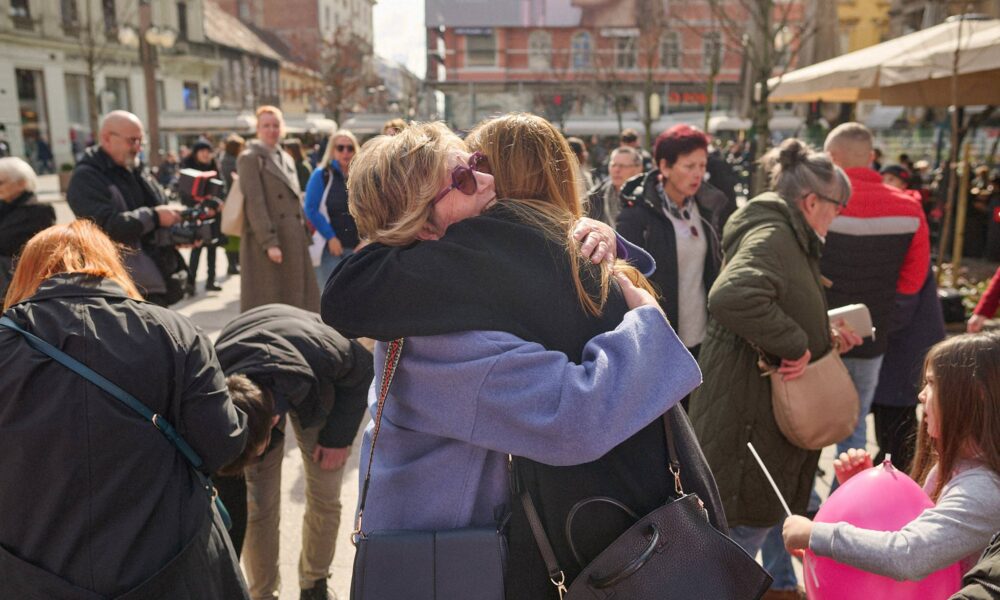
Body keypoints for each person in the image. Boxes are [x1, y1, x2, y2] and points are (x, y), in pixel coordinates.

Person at [323, 116, 724, 599]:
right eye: (467, 178)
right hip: (443, 564)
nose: (490, 181)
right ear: (421, 223)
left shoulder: (433, 292)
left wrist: (590, 234)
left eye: (477, 163)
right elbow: (575, 415)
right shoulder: (440, 342)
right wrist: (646, 322)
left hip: (445, 545)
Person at [0, 220, 249, 599]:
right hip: (167, 565)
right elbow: (222, 446)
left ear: (27, 274)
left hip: (28, 572)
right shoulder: (174, 333)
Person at [688, 139, 861, 576]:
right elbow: (732, 295)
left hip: (757, 414)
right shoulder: (775, 233)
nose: (838, 216)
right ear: (811, 200)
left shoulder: (787, 233)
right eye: (837, 206)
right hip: (749, 419)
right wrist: (797, 343)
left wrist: (824, 336)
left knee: (743, 543)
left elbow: (775, 299)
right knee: (736, 553)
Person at [783, 332, 1000, 581]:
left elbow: (908, 554)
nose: (921, 395)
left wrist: (816, 534)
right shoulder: (956, 468)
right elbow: (914, 530)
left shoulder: (982, 489)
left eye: (932, 383)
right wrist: (868, 493)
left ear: (975, 395)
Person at [214, 304, 374, 600]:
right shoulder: (214, 379)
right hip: (251, 363)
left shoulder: (328, 354)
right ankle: (262, 593)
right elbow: (233, 505)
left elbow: (364, 369)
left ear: (273, 420)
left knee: (325, 494)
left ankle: (314, 584)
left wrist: (338, 438)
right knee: (257, 503)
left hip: (316, 377)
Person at [822, 122, 931, 467]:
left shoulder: (818, 204)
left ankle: (806, 503)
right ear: (871, 158)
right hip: (873, 333)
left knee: (810, 419)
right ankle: (848, 500)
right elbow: (914, 281)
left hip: (816, 332)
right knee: (855, 425)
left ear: (830, 158)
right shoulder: (909, 209)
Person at [616, 124, 733, 365]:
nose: (698, 174)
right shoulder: (637, 215)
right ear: (665, 167)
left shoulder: (706, 208)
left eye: (702, 166)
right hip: (660, 340)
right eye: (689, 166)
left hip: (703, 336)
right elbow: (624, 279)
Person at [66, 110, 186, 306]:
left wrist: (176, 232)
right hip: (123, 286)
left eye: (141, 141)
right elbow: (105, 226)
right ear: (106, 139)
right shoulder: (86, 178)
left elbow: (156, 210)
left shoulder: (136, 168)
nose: (138, 148)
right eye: (132, 141)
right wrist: (154, 217)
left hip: (157, 278)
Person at [236, 105, 319, 312]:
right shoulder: (249, 158)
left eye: (275, 125)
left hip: (293, 237)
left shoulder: (287, 157)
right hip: (270, 241)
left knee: (299, 301)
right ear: (258, 128)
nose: (271, 130)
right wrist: (269, 242)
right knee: (271, 301)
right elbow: (255, 203)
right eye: (266, 125)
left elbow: (295, 199)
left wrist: (305, 235)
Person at [304, 129, 360, 286]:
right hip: (331, 249)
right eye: (340, 147)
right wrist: (331, 237)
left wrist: (368, 239)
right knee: (331, 296)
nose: (346, 152)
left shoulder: (363, 175)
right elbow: (311, 209)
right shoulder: (321, 174)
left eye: (350, 148)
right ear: (332, 150)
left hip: (360, 248)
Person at [0, 156, 55, 297]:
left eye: (1, 182)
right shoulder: (4, 207)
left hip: (20, 284)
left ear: (21, 183)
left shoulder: (39, 210)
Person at [181, 138, 224, 295]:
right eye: (202, 151)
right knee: (196, 249)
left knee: (212, 248)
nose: (206, 155)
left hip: (213, 215)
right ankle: (190, 284)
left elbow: (221, 190)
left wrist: (215, 206)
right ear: (196, 153)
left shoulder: (215, 167)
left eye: (208, 151)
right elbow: (184, 194)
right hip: (196, 215)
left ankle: (211, 280)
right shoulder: (188, 169)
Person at [586, 145, 644, 226]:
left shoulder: (647, 197)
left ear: (639, 169)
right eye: (613, 165)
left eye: (622, 166)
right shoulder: (595, 198)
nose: (616, 170)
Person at [566, 136, 594, 201]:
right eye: (584, 150)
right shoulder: (573, 175)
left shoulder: (582, 171)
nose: (586, 154)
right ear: (577, 155)